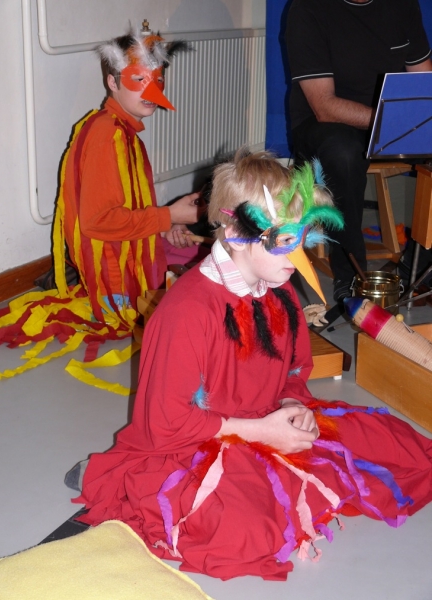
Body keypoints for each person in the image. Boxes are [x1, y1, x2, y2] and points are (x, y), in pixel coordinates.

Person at [69, 150, 432, 581]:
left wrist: (292, 405)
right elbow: (165, 423)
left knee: (401, 448)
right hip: (196, 440)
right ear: (238, 233)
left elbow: (295, 369)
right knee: (245, 533)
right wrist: (261, 432)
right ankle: (109, 473)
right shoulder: (186, 312)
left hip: (266, 418)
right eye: (285, 241)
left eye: (303, 239)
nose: (298, 258)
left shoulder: (279, 287)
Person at [0, 25, 203, 387]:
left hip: (131, 258)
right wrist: (167, 215)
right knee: (202, 294)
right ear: (112, 82)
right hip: (117, 284)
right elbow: (98, 222)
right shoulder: (108, 135)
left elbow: (129, 204)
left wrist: (167, 225)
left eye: (157, 79)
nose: (152, 90)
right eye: (138, 79)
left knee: (203, 263)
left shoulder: (122, 130)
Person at [284, 0, 432, 303]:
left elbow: (424, 81)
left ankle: (419, 264)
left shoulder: (403, 5)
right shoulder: (307, 9)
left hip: (387, 119)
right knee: (344, 153)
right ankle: (351, 277)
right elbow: (324, 106)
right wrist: (393, 121)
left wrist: (415, 120)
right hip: (324, 125)